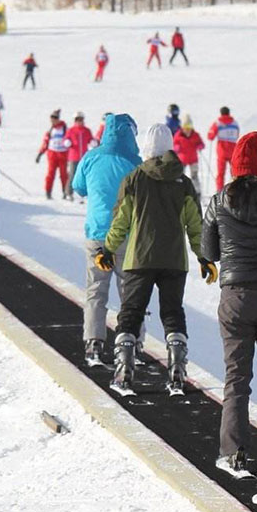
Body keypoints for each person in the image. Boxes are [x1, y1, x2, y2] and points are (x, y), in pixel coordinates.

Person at [94, 124, 217, 393]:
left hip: (139, 259)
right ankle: (176, 368)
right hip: (174, 260)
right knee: (173, 313)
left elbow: (121, 221)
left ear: (146, 148)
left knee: (130, 313)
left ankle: (123, 371)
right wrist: (203, 256)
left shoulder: (134, 179)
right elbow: (195, 224)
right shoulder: (183, 182)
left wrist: (107, 249)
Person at [202, 132, 257, 475]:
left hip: (234, 297)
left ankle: (234, 451)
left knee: (237, 377)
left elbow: (210, 252)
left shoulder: (219, 201)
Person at [72, 114, 142, 366]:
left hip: (97, 234)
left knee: (95, 291)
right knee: (130, 294)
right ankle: (132, 342)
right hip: (126, 236)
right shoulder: (134, 162)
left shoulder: (91, 157)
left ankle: (93, 342)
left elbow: (78, 187)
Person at [36, 110, 69, 199]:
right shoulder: (50, 130)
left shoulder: (64, 128)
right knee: (50, 174)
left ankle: (65, 192)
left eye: (55, 118)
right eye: (52, 118)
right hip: (52, 154)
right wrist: (40, 153)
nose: (54, 120)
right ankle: (48, 192)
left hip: (63, 154)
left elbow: (69, 141)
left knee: (63, 174)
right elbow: (45, 143)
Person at [207, 106, 240, 191]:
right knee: (234, 172)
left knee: (221, 173)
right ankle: (235, 188)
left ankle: (219, 190)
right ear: (229, 113)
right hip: (233, 150)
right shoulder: (235, 123)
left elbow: (210, 136)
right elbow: (237, 135)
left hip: (222, 150)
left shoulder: (218, 123)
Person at [173, 114, 205, 201]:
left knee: (194, 176)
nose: (187, 129)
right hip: (182, 160)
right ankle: (180, 192)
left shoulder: (195, 135)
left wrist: (200, 146)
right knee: (181, 176)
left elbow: (201, 143)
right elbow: (174, 145)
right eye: (185, 127)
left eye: (189, 126)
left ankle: (197, 193)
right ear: (182, 127)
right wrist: (176, 148)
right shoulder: (178, 135)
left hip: (193, 159)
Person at [65, 112, 95, 201]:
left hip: (84, 157)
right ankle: (68, 193)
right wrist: (67, 142)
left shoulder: (86, 130)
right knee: (72, 175)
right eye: (77, 119)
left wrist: (93, 142)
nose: (79, 121)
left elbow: (90, 139)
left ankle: (85, 193)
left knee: (85, 175)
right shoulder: (71, 130)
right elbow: (66, 139)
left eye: (80, 119)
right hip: (73, 157)